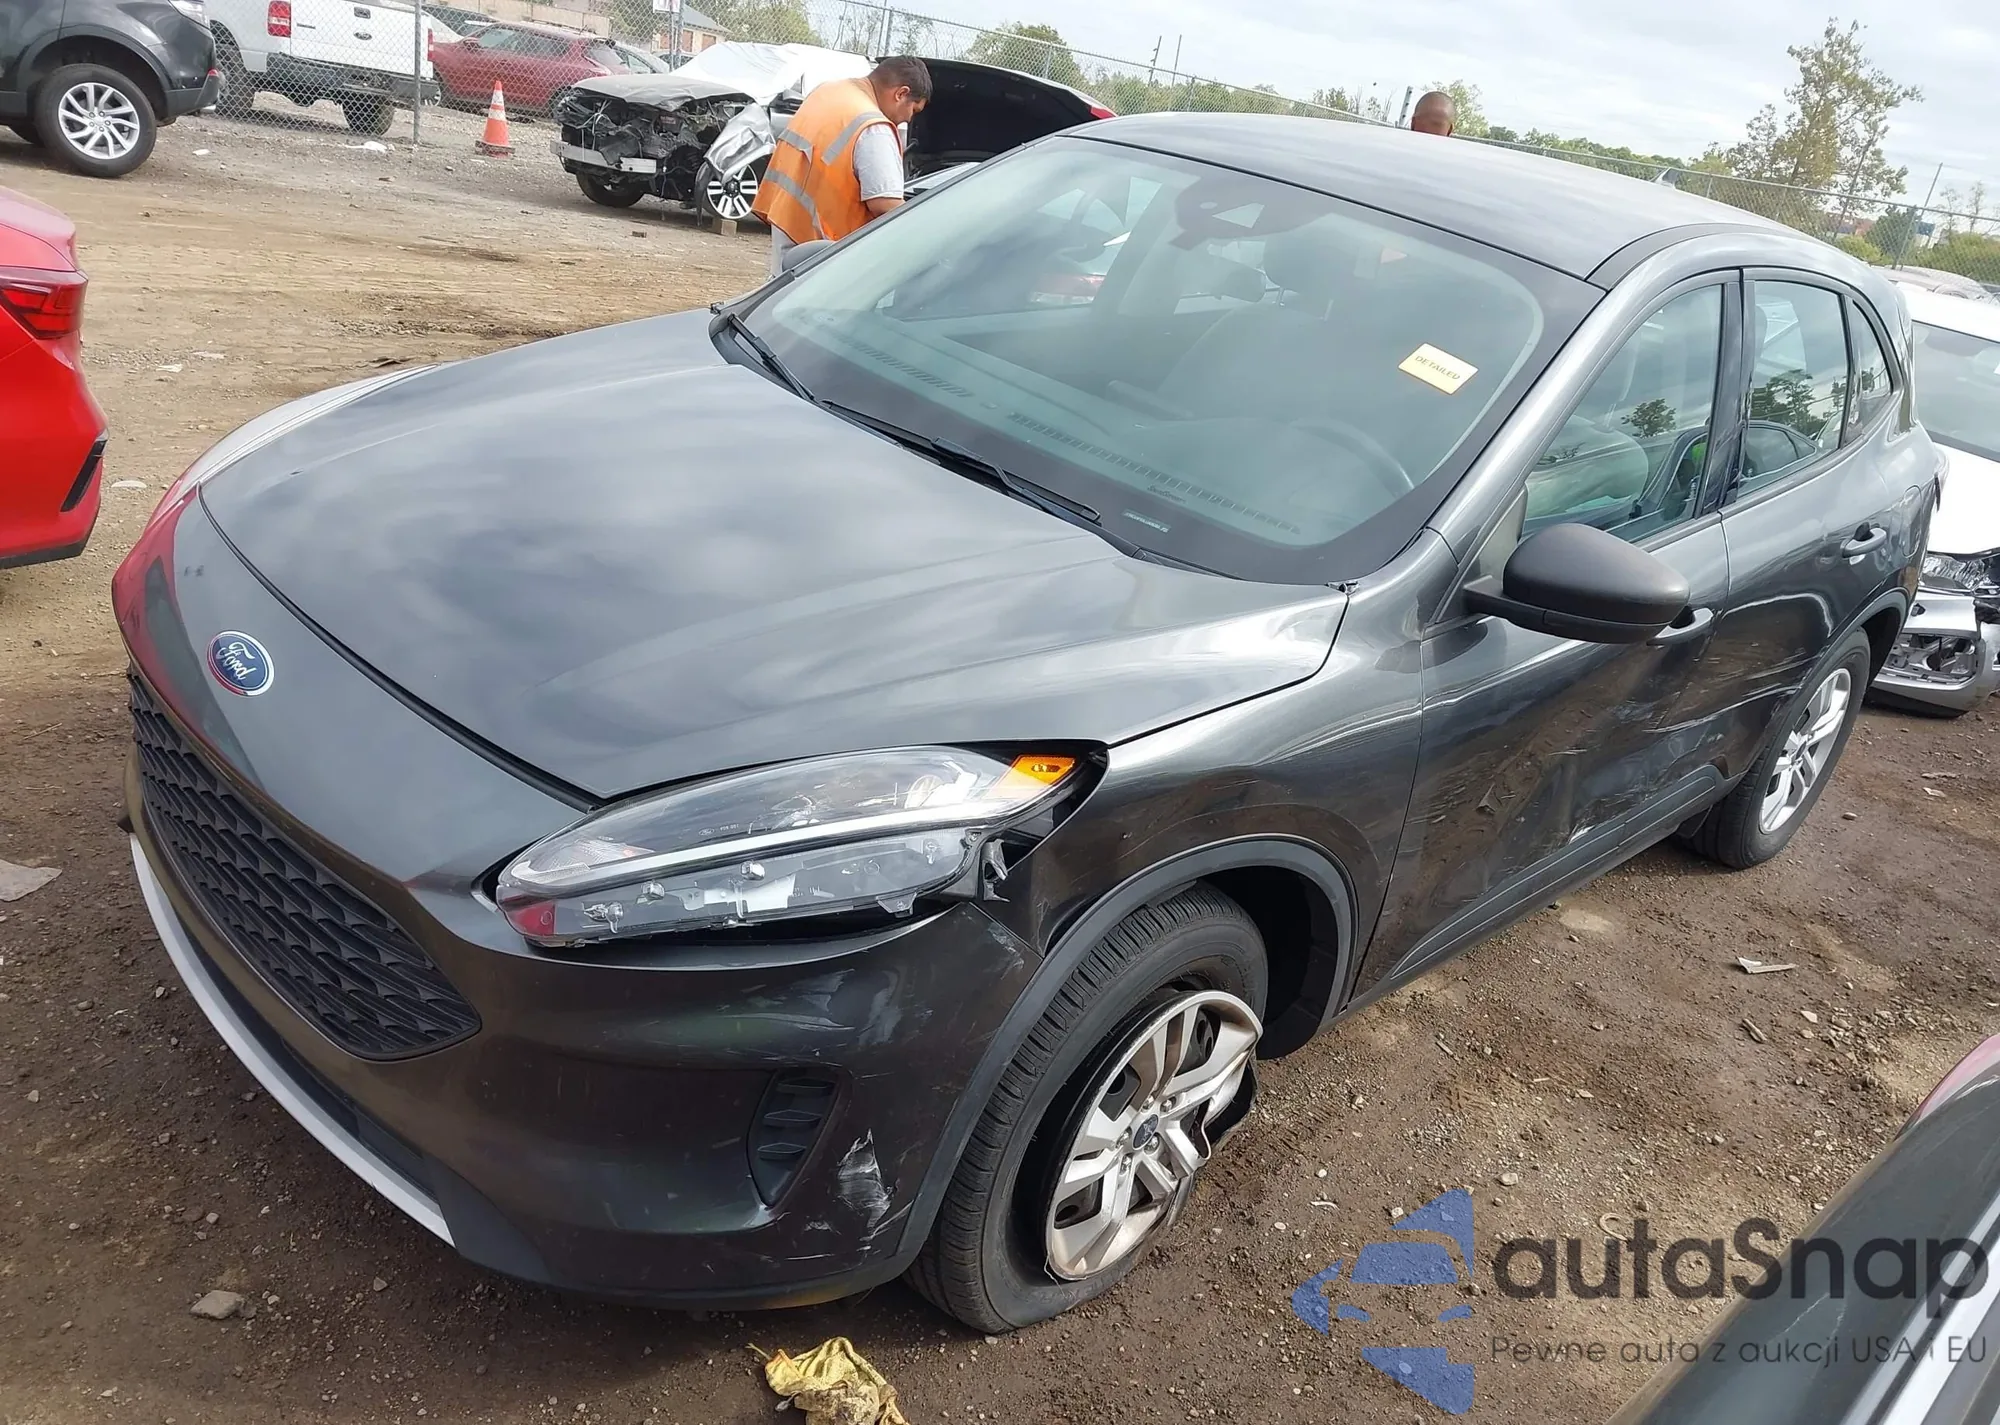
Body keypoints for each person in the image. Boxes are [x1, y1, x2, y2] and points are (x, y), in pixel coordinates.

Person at [753, 56, 931, 278]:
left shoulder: (827, 92)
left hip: (789, 227)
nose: (908, 120)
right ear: (901, 94)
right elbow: (885, 204)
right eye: (914, 110)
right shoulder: (873, 128)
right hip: (823, 257)